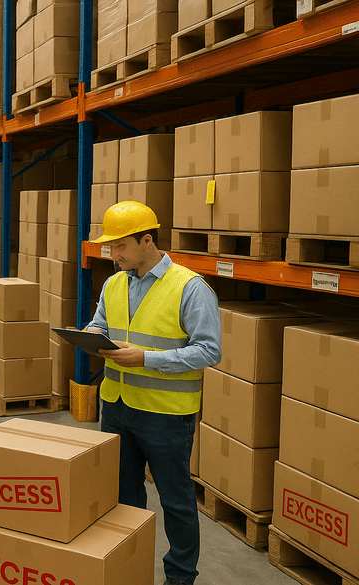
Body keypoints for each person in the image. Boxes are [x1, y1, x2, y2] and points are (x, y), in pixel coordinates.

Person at [85, 201, 221, 585]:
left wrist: (147, 358)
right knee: (124, 495)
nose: (114, 254)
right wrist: (90, 336)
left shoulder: (190, 288)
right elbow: (100, 324)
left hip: (165, 413)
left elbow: (209, 350)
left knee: (176, 500)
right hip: (116, 406)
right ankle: (130, 565)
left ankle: (180, 577)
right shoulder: (114, 283)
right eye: (110, 247)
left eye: (121, 246)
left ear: (148, 240)